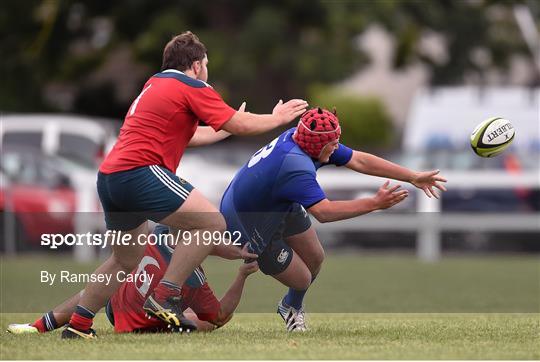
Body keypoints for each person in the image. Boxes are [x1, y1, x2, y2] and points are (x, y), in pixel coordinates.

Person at [63, 31, 308, 338]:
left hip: (111, 178)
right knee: (211, 222)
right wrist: (276, 117)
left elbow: (189, 135)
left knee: (124, 260)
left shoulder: (154, 84)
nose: (206, 70)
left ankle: (78, 326)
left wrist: (225, 128)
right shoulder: (191, 84)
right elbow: (240, 123)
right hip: (140, 172)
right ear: (195, 65)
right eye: (205, 64)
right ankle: (164, 295)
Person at [220, 107, 447, 331]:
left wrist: (413, 176)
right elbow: (325, 212)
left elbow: (359, 160)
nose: (337, 147)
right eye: (334, 143)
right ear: (319, 145)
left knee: (315, 257)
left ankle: (290, 306)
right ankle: (289, 307)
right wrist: (374, 204)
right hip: (247, 221)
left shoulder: (304, 137)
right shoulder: (295, 166)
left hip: (272, 202)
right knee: (301, 279)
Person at [8, 225, 259, 337]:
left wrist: (238, 252)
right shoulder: (194, 280)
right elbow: (221, 315)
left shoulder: (160, 233)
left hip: (116, 304)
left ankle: (37, 326)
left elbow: (202, 243)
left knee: (93, 290)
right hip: (141, 325)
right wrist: (242, 275)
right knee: (204, 322)